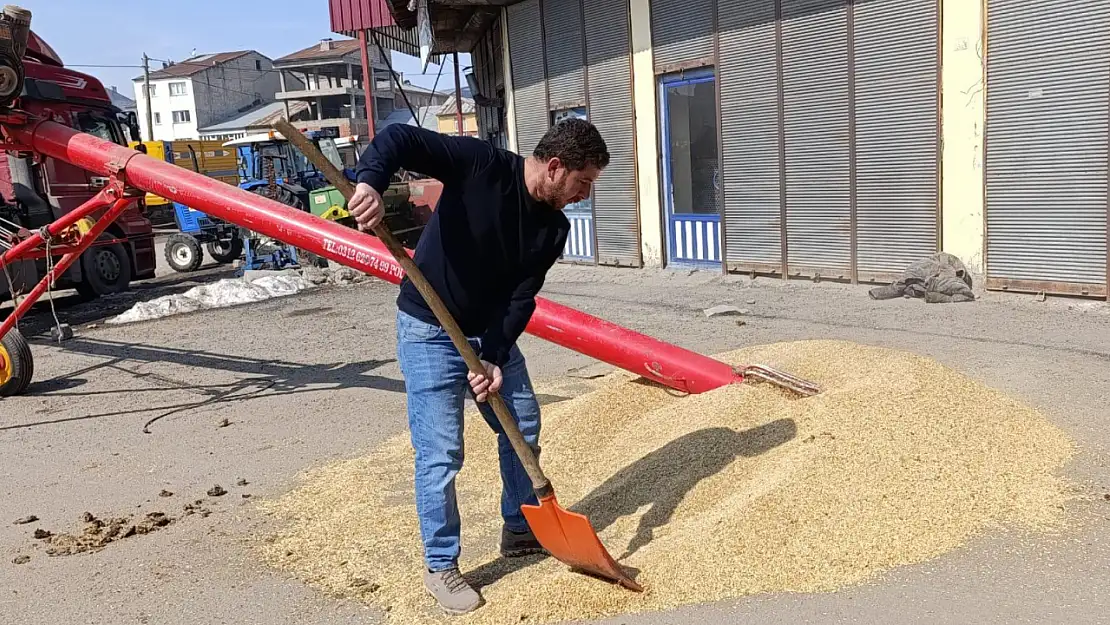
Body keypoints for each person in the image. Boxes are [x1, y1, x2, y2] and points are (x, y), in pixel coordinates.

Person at [348, 119, 609, 615]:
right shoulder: (480, 164)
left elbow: (520, 298)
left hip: (488, 336)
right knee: (442, 450)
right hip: (429, 328)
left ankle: (518, 526)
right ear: (555, 168)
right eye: (583, 183)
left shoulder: (553, 228)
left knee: (522, 424)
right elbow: (399, 138)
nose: (584, 195)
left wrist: (493, 354)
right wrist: (370, 182)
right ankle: (441, 565)